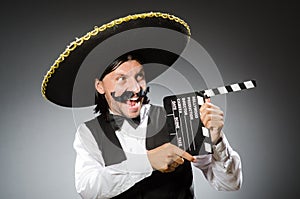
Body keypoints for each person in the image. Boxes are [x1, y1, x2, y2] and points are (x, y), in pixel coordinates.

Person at [41, 12, 242, 199]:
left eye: (139, 77)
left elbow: (229, 183)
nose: (135, 88)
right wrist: (147, 162)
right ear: (100, 86)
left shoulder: (178, 118)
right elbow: (88, 188)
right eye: (121, 79)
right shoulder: (88, 132)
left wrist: (217, 142)